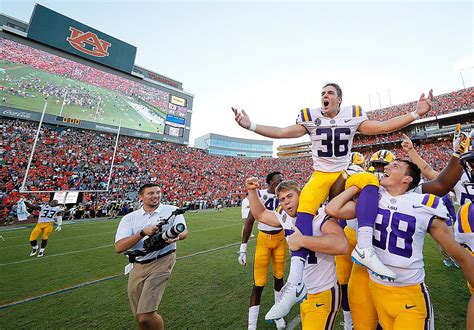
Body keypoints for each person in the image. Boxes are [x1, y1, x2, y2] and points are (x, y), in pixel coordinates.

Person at [234, 83, 434, 319]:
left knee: (369, 179)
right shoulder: (311, 117)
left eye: (329, 93)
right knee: (305, 207)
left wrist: (417, 113)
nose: (324, 96)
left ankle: (365, 248)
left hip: (344, 172)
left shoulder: (352, 115)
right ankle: (294, 283)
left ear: (340, 99)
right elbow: (282, 132)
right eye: (322, 93)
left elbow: (382, 126)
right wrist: (251, 125)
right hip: (320, 174)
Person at [327, 159, 474, 329]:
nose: (387, 167)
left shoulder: (423, 204)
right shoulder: (374, 199)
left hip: (409, 294)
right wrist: (356, 182)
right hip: (378, 291)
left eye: (395, 166)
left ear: (407, 179)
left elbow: (459, 254)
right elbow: (333, 209)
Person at [245, 178, 348, 329]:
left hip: (324, 291)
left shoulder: (318, 213)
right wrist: (252, 191)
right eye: (281, 199)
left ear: (300, 195)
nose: (286, 202)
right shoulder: (284, 215)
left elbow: (341, 244)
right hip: (304, 293)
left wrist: (302, 241)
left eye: (289, 196)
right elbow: (260, 214)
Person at [114, 183, 188, 330]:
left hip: (163, 259)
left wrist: (176, 238)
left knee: (146, 315)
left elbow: (184, 231)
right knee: (140, 318)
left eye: (158, 192)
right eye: (151, 193)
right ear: (141, 197)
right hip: (138, 264)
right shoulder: (130, 218)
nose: (155, 196)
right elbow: (119, 247)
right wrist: (142, 233)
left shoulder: (172, 210)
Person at [238, 172, 286, 330]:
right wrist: (243, 248)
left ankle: (278, 314)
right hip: (263, 241)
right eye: (278, 180)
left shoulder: (284, 195)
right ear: (270, 182)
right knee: (258, 283)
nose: (281, 182)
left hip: (280, 239)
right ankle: (251, 325)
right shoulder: (260, 195)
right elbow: (250, 221)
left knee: (279, 279)